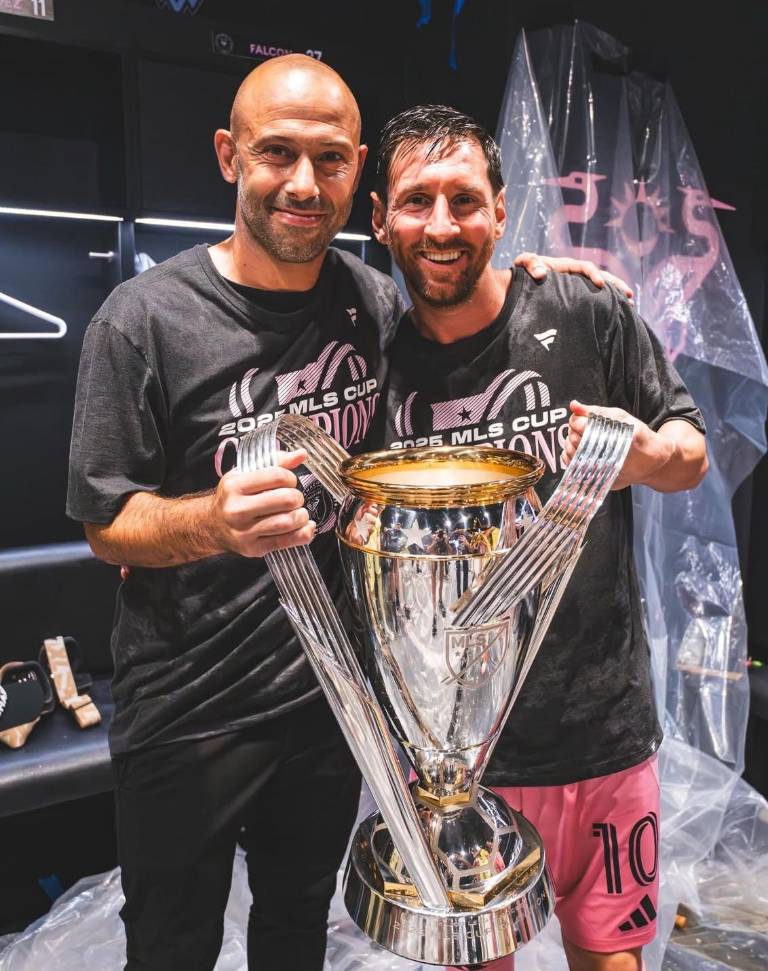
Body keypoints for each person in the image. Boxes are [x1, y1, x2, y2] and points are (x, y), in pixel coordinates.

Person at [66, 56, 613, 971]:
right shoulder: (143, 320)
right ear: (229, 156)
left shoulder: (371, 300)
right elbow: (104, 523)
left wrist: (543, 284)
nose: (303, 183)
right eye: (277, 153)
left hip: (335, 701)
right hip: (190, 706)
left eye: (329, 159)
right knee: (170, 946)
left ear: (357, 170)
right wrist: (213, 522)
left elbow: (469, 313)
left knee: (296, 930)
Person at [370, 105, 708, 971]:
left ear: (500, 210)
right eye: (416, 201)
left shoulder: (584, 309)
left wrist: (648, 457)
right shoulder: (374, 363)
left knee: (609, 958)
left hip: (599, 732)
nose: (441, 226)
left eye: (463, 200)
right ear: (380, 218)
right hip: (453, 760)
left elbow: (692, 451)